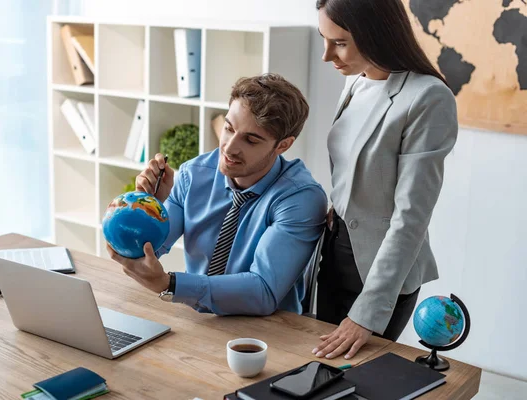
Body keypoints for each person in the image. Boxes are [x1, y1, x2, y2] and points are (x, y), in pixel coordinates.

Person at [107, 73, 328, 316]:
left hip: (267, 333)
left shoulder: (300, 198)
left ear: (283, 145)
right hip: (198, 321)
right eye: (228, 128)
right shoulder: (194, 175)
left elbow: (263, 291)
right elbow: (141, 255)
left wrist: (170, 284)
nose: (230, 147)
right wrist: (148, 209)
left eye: (251, 140)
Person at [311, 0, 458, 361]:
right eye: (324, 39)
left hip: (382, 270)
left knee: (356, 374)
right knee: (316, 367)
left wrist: (366, 314)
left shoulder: (428, 97)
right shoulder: (356, 83)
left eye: (340, 42)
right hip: (335, 252)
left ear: (377, 33)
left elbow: (411, 217)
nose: (328, 55)